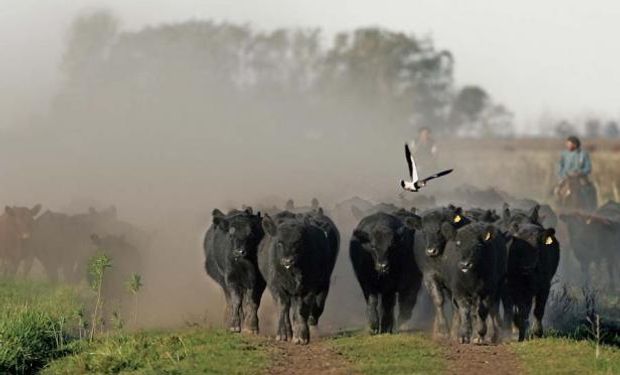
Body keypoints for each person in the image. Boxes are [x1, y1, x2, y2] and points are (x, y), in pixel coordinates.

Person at [556, 135, 597, 210]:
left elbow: (588, 168)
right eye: (567, 144)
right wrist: (562, 175)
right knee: (557, 191)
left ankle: (589, 209)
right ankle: (559, 209)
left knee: (586, 191)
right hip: (566, 177)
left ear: (575, 144)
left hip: (579, 177)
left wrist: (580, 173)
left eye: (569, 144)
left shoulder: (583, 154)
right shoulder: (564, 154)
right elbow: (560, 166)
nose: (567, 145)